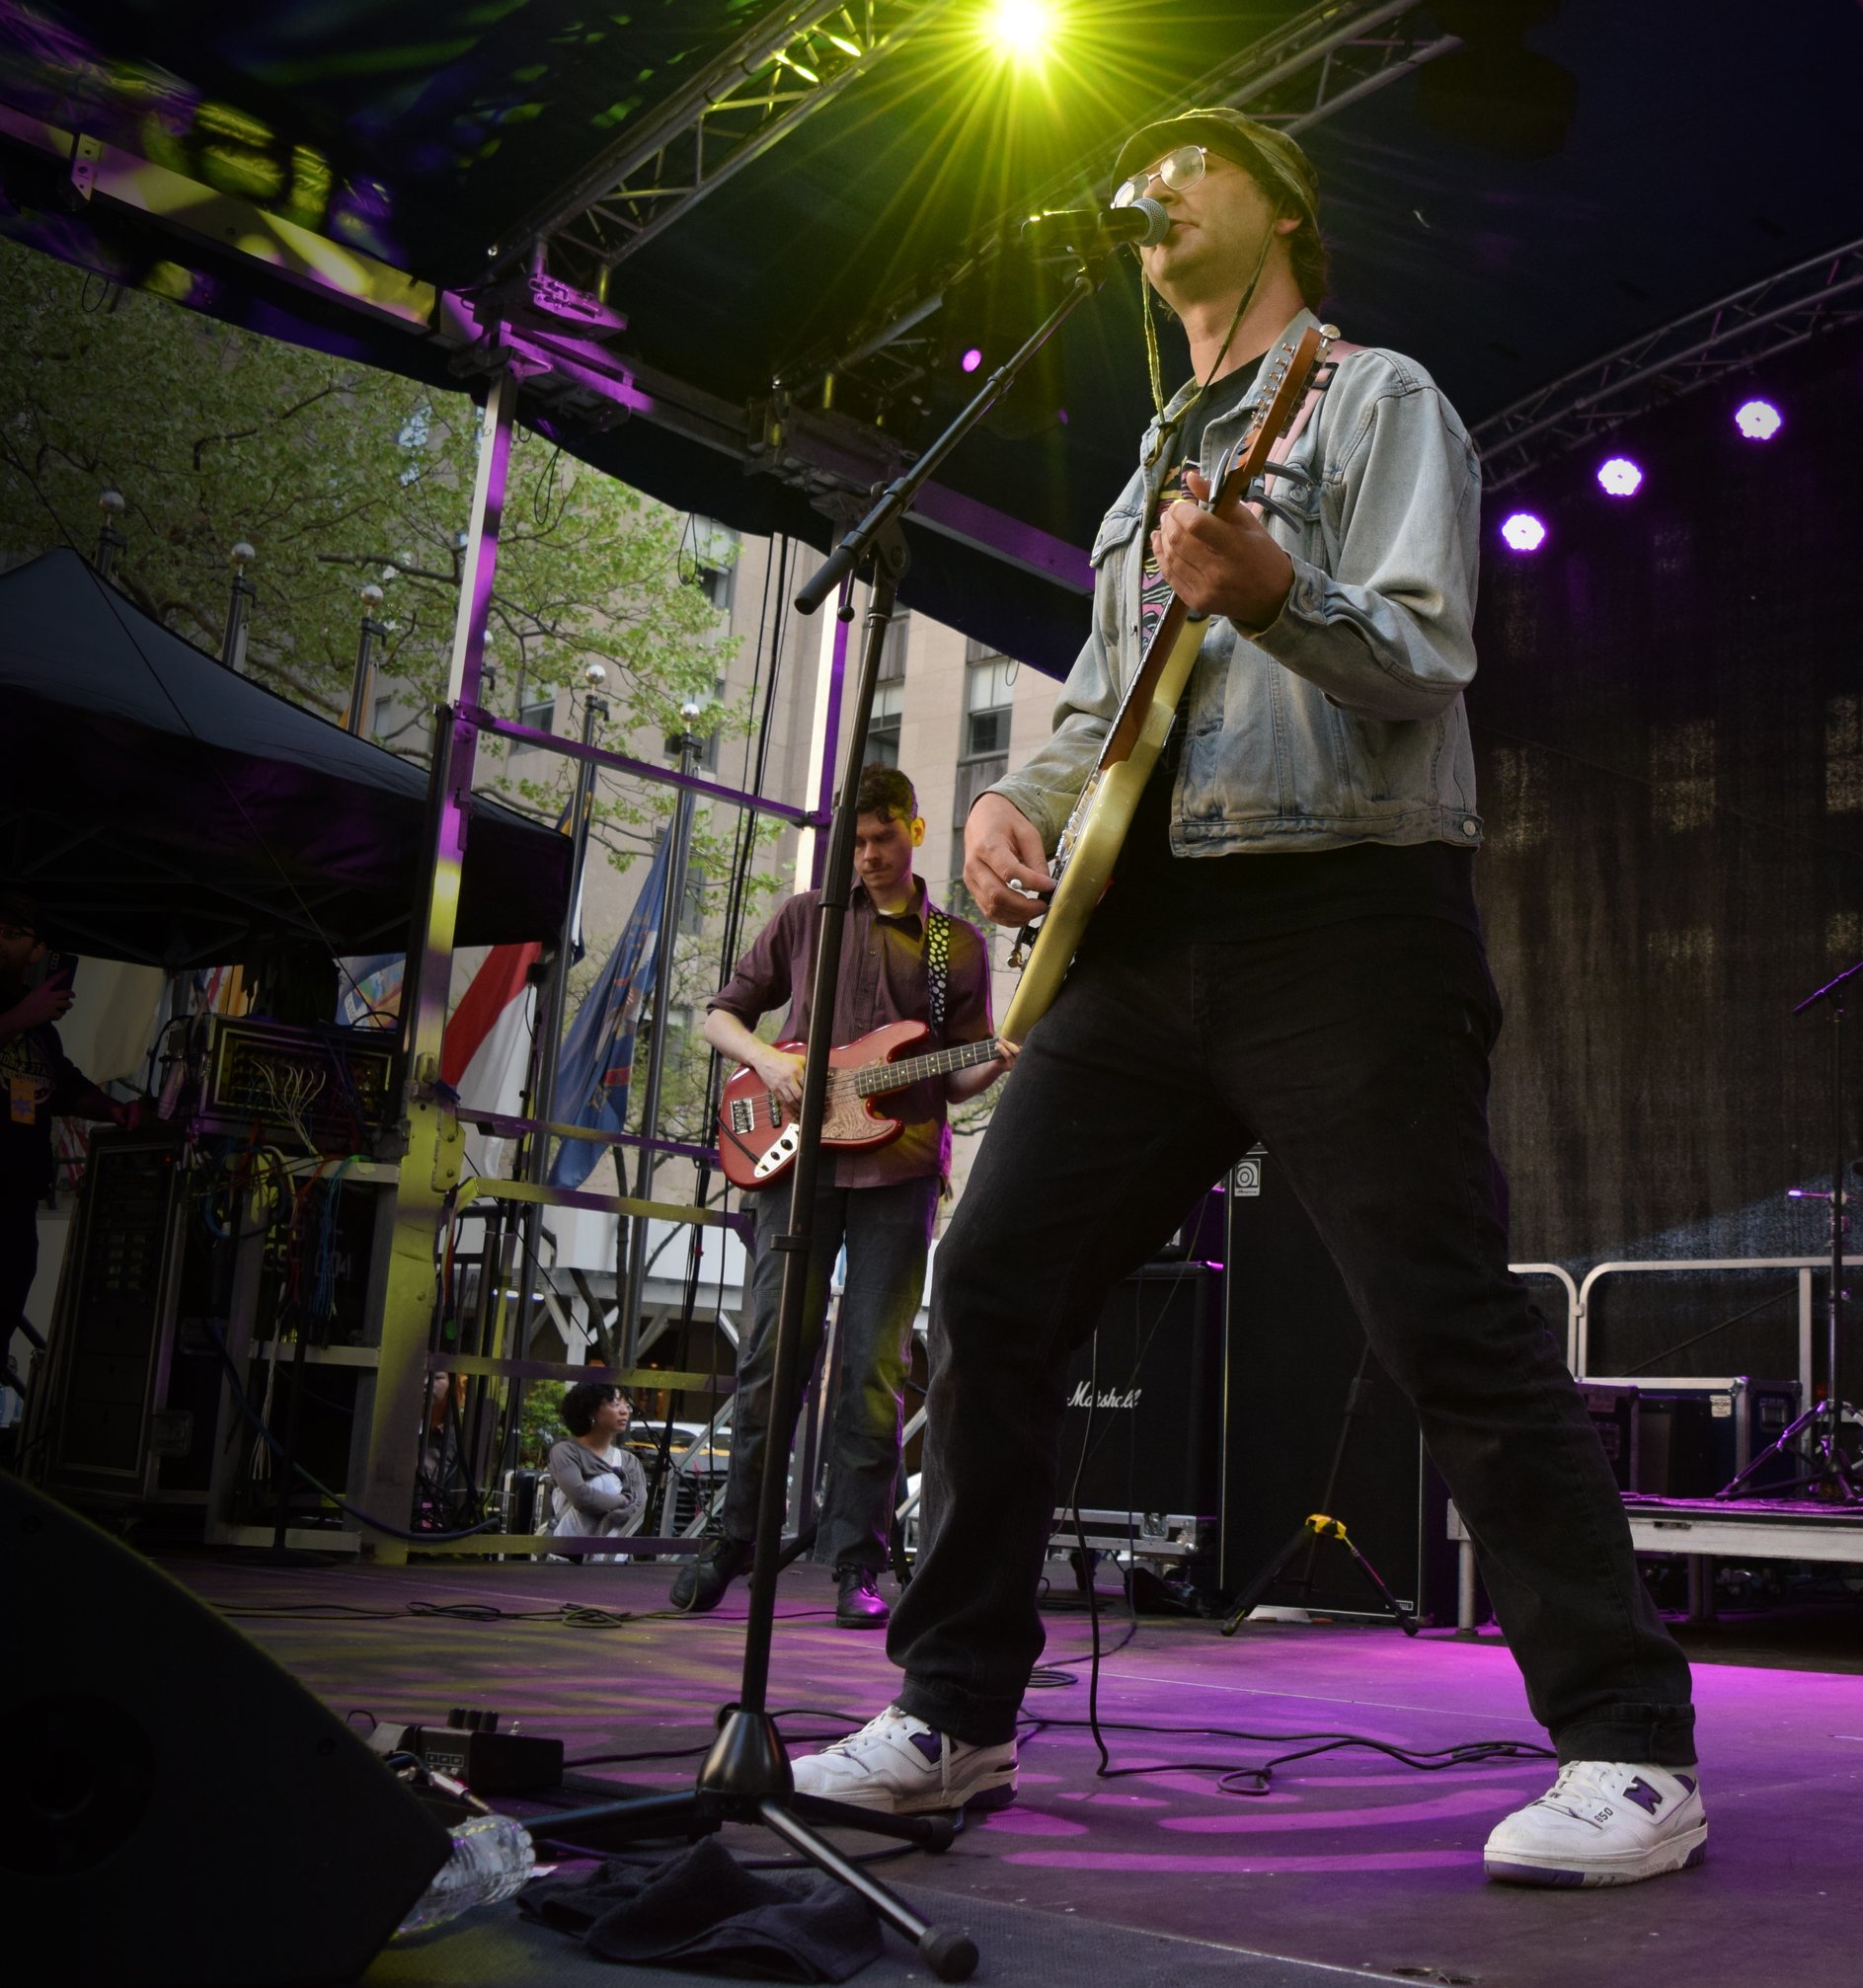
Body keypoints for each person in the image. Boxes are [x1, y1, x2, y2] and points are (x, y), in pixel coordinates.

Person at [791, 110, 1703, 1890]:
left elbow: (1426, 652)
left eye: (1191, 155)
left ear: (1281, 206)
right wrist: (1007, 807)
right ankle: (956, 1709)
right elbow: (1092, 711)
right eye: (1136, 173)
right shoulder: (1147, 478)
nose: (1152, 186)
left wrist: (1277, 591)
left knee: (1443, 1318)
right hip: (1142, 942)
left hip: (1340, 914)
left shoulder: (1374, 401)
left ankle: (1628, 1747)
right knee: (990, 1278)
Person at [674, 765, 1008, 1628]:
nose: (867, 857)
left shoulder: (955, 946)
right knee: (768, 1359)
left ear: (916, 831)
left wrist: (1001, 1059)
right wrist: (772, 1060)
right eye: (855, 843)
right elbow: (718, 1015)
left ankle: (856, 1562)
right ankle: (736, 1537)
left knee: (874, 1369)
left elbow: (961, 1073)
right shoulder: (803, 918)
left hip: (898, 1170)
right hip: (793, 1168)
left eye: (882, 839)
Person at [0, 894, 142, 1397]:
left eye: (12, 934)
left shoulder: (40, 1032)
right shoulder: (22, 1018)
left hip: (17, 1207)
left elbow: (62, 1085)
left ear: (39, 951)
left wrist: (114, 1110)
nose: (0, 941)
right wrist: (19, 1017)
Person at [546, 1382, 648, 1548]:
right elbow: (582, 1497)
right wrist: (623, 1500)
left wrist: (610, 1514)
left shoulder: (629, 1460)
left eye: (626, 1406)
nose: (624, 1411)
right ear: (591, 1410)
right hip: (568, 1555)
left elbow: (641, 1507)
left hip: (613, 1559)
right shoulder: (565, 1452)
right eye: (615, 1404)